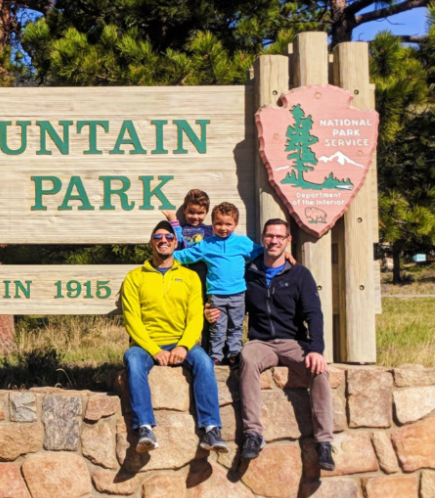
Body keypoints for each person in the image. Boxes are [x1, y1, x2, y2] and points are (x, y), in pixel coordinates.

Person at [225, 217, 336, 471]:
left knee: (319, 371)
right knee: (248, 359)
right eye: (269, 236)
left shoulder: (300, 274)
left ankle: (324, 442)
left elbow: (313, 314)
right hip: (260, 342)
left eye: (279, 236)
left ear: (288, 241)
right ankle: (253, 434)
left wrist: (316, 349)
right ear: (262, 239)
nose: (273, 240)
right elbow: (235, 307)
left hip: (293, 342)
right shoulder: (249, 272)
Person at [121, 220, 228, 454]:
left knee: (204, 361)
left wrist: (183, 346)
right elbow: (132, 319)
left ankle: (211, 429)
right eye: (158, 237)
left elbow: (195, 319)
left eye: (168, 237)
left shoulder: (190, 277)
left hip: (182, 341)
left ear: (176, 242)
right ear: (151, 243)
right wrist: (153, 349)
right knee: (133, 360)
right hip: (145, 344)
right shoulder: (134, 277)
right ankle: (145, 428)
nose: (163, 241)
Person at [172, 202, 265, 367]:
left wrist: (284, 255)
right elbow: (186, 255)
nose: (223, 228)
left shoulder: (242, 242)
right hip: (216, 294)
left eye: (228, 224)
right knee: (217, 328)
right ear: (213, 224)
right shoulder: (206, 244)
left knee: (236, 327)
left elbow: (262, 253)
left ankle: (234, 354)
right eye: (219, 223)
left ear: (235, 224)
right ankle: (216, 356)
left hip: (238, 293)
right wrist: (166, 255)